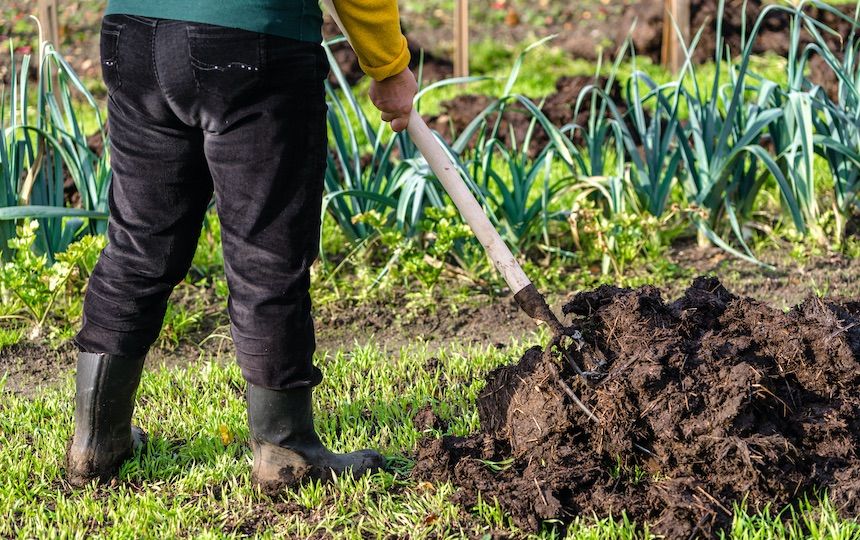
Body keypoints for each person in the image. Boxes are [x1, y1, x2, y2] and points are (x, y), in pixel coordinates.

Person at [64, 0, 418, 494]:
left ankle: (96, 442)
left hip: (135, 34)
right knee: (266, 253)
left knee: (137, 245)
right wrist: (389, 66)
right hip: (251, 40)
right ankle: (286, 451)